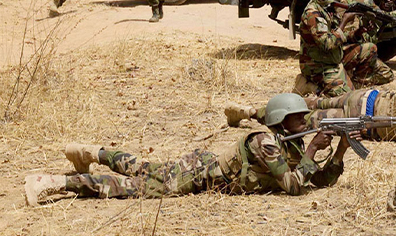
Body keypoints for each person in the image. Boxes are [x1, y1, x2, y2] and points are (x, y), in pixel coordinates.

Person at [24, 94, 362, 206]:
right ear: (279, 120)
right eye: (298, 118)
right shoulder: (265, 141)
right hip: (197, 176)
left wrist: (341, 150)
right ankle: (52, 182)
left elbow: (319, 180)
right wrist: (314, 148)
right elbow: (293, 186)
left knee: (142, 167)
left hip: (202, 168)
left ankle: (91, 152)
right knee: (135, 187)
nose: (305, 123)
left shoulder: (291, 142)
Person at [227, 70, 396, 143]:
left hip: (361, 98)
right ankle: (253, 114)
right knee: (306, 120)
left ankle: (255, 111)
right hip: (358, 124)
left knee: (310, 105)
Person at [298, 0, 362, 97]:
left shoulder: (326, 8)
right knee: (346, 98)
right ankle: (310, 86)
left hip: (331, 60)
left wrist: (356, 33)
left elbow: (336, 36)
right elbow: (327, 43)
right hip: (317, 66)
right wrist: (344, 21)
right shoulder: (314, 14)